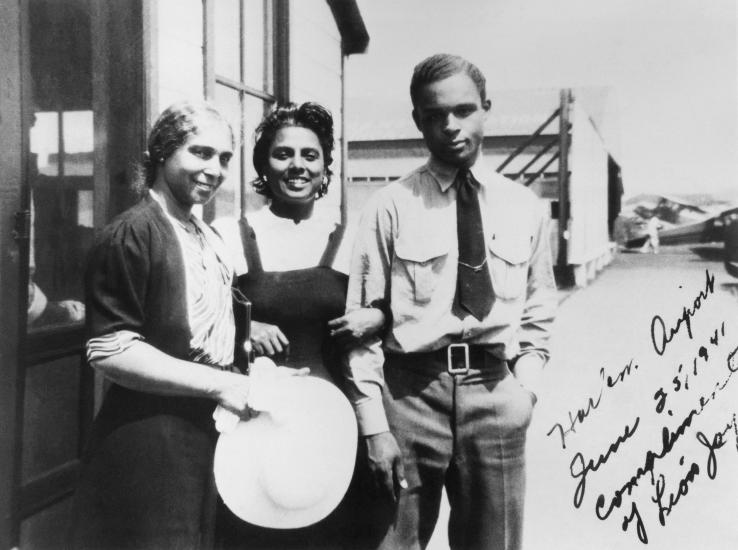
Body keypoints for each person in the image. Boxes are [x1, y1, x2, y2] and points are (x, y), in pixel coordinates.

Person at [344, 53, 558, 550]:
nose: (450, 126)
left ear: (486, 109)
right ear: (418, 119)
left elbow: (538, 308)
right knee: (393, 543)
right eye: (434, 114)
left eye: (463, 110)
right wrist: (374, 426)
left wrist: (525, 392)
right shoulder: (389, 206)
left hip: (494, 393)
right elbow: (361, 327)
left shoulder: (524, 207)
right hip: (409, 397)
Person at [68, 101, 292, 549]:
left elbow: (215, 335)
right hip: (148, 440)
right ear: (163, 153)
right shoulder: (132, 233)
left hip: (202, 436)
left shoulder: (206, 238)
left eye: (225, 158)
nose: (215, 169)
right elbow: (111, 349)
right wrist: (219, 384)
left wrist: (259, 379)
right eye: (201, 153)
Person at [213, 101, 385, 549]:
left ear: (326, 165)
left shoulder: (350, 240)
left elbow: (376, 332)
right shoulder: (228, 235)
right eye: (283, 154)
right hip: (254, 417)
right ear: (262, 165)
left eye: (310, 155)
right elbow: (197, 323)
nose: (297, 166)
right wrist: (242, 328)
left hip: (331, 419)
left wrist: (380, 316)